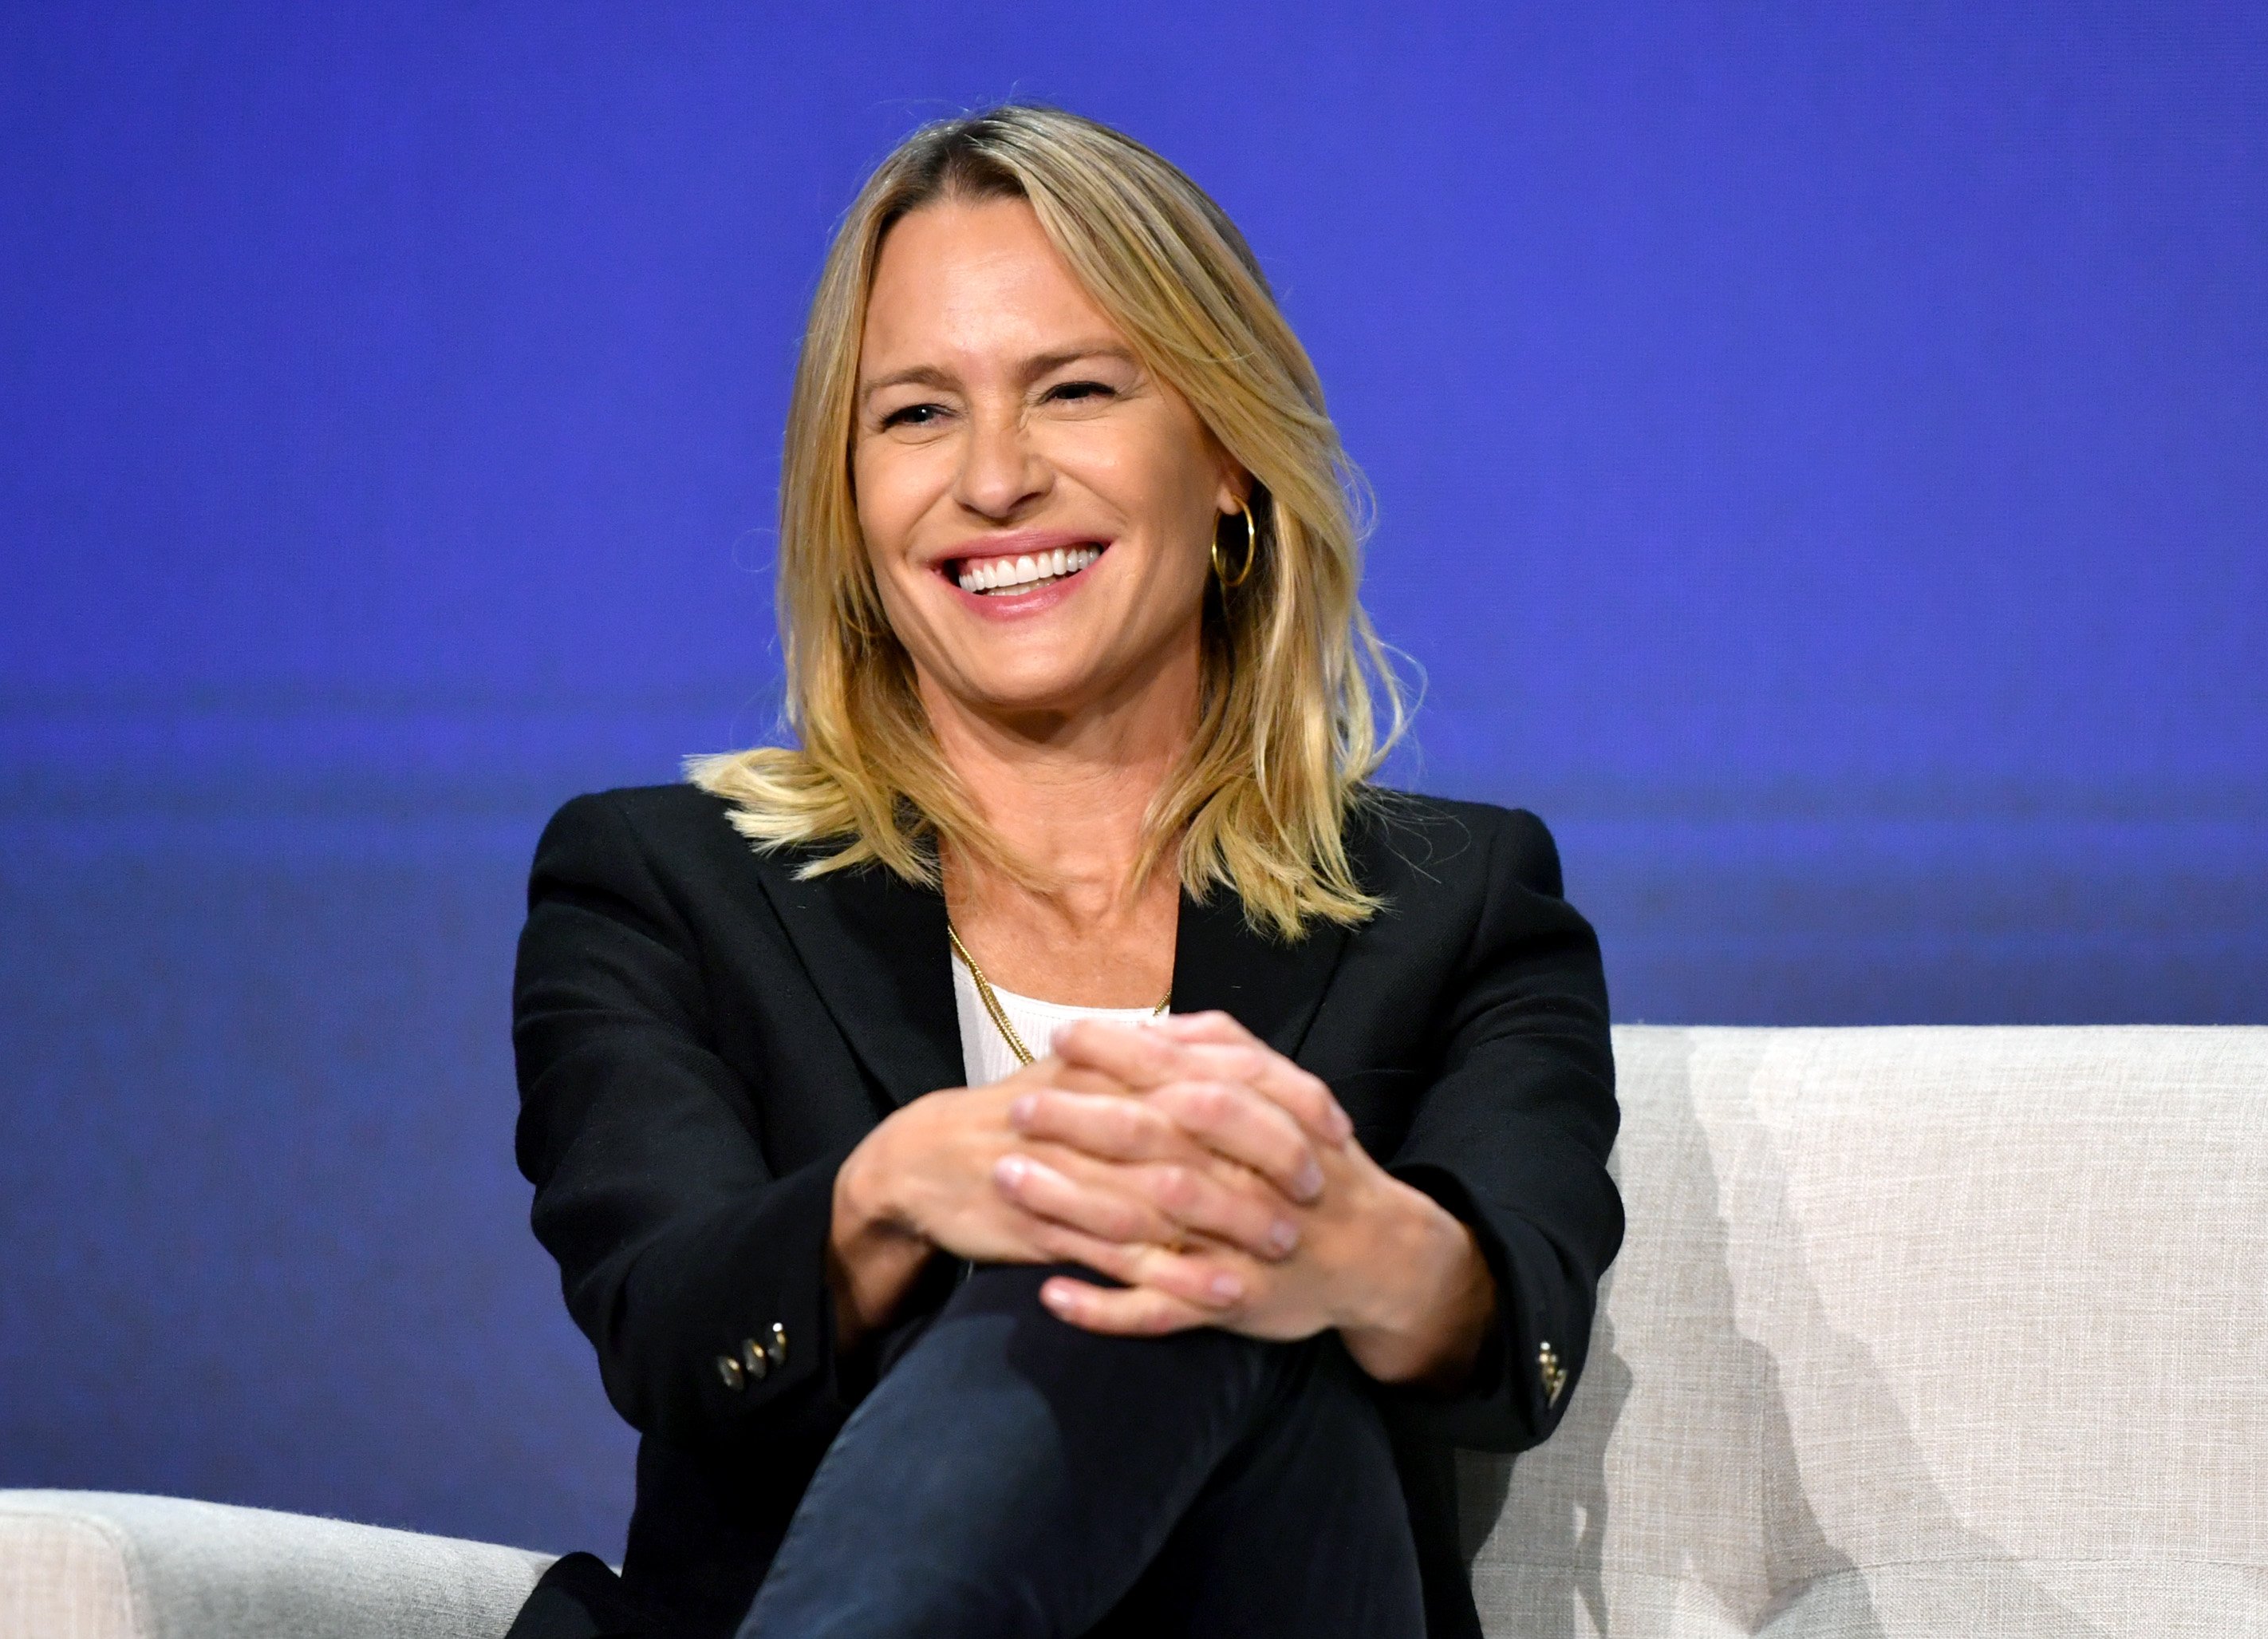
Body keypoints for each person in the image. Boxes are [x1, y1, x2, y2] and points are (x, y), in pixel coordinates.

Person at [504, 104, 1621, 1639]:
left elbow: (1528, 1325)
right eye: (915, 415)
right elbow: (674, 1324)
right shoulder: (657, 883)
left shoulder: (1462, 900)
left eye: (1076, 390)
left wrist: (1344, 1240)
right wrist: (899, 1190)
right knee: (1153, 1216)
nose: (995, 478)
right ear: (848, 496)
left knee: (1197, 1238)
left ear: (1229, 456)